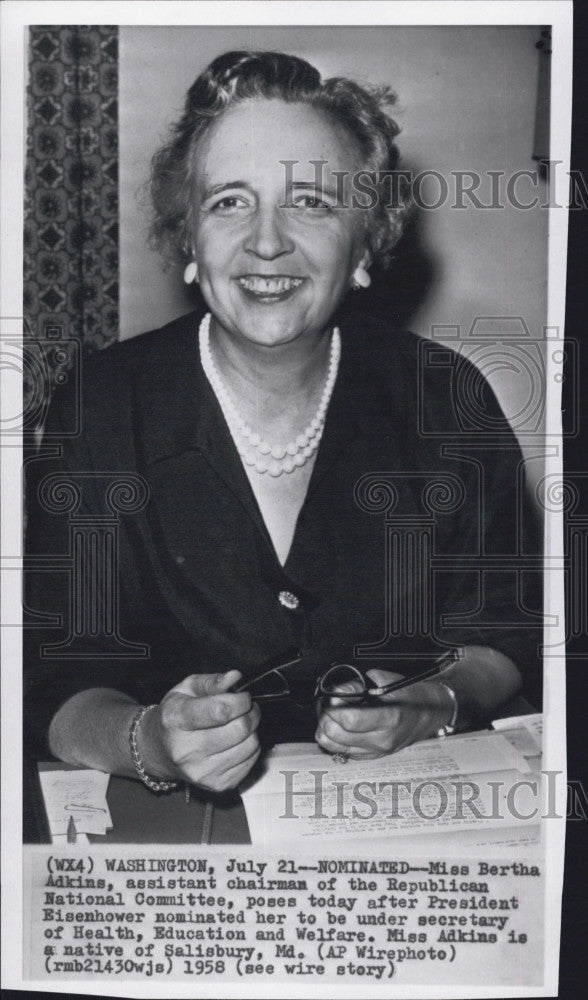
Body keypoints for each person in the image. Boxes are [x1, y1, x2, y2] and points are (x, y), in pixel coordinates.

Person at [24, 50, 541, 799]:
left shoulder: (448, 400)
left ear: (365, 247)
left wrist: (431, 704)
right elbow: (48, 687)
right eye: (229, 201)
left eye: (311, 202)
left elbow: (503, 638)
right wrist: (154, 743)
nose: (267, 241)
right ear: (188, 243)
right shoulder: (99, 405)